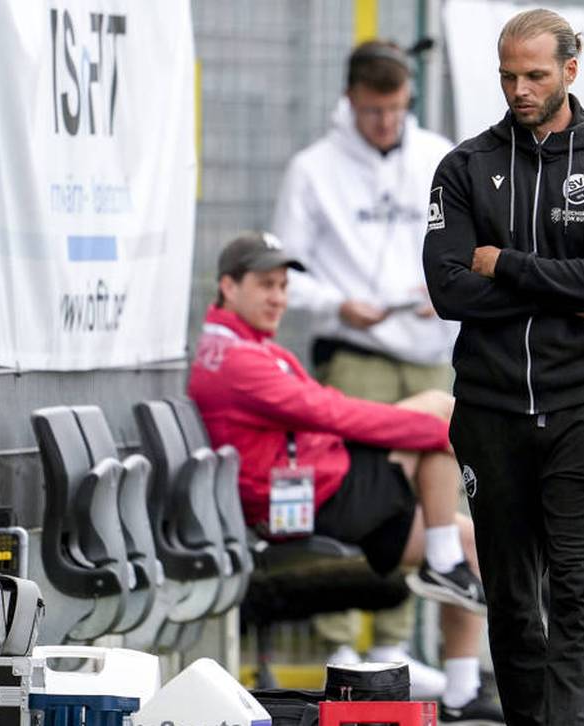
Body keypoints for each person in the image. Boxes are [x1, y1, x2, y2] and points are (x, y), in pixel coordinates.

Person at [421, 9, 584, 725]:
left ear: (570, 71)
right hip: (491, 413)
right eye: (508, 76)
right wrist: (561, 286)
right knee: (514, 603)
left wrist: (509, 265)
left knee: (577, 592)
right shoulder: (464, 167)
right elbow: (450, 289)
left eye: (535, 76)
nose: (519, 89)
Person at [189, 233, 502, 724]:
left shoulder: (247, 346)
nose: (278, 298)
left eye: (283, 286)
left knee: (472, 542)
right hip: (309, 503)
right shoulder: (237, 359)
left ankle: (462, 693)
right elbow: (330, 412)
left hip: (326, 484)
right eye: (265, 285)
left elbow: (320, 415)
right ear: (228, 286)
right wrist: (439, 434)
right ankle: (441, 560)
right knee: (439, 421)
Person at [271, 39, 458, 676]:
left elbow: (470, 248)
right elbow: (285, 274)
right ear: (350, 100)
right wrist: (339, 302)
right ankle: (338, 642)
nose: (386, 123)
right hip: (357, 351)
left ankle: (396, 642)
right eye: (375, 110)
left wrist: (447, 291)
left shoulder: (437, 156)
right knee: (348, 491)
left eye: (397, 109)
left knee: (431, 496)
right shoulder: (313, 169)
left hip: (428, 350)